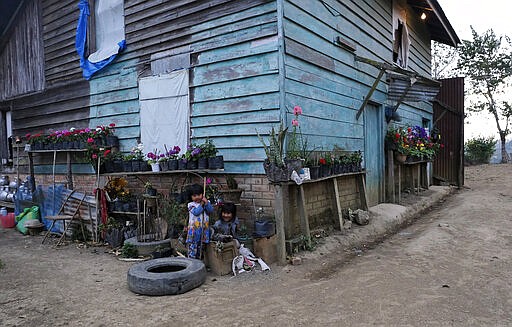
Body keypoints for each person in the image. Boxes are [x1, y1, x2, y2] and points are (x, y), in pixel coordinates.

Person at [185, 183, 214, 259]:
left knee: (201, 248)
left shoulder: (206, 203)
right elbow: (196, 212)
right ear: (191, 197)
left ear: (202, 194)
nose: (197, 197)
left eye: (199, 195)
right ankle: (191, 261)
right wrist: (201, 204)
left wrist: (206, 203)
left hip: (203, 230)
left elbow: (210, 210)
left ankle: (199, 261)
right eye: (194, 196)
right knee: (193, 247)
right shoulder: (191, 205)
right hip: (194, 231)